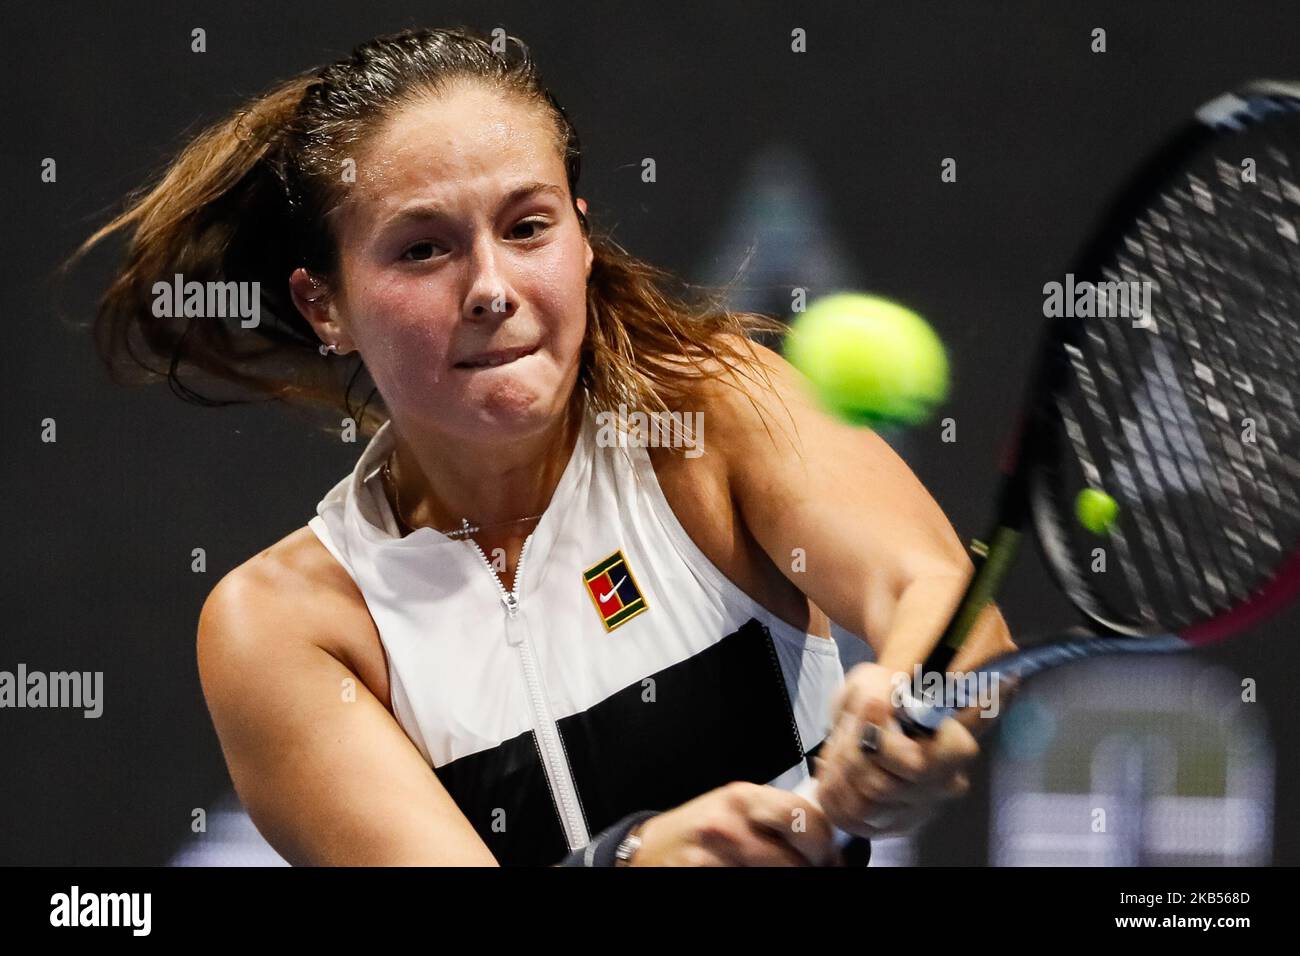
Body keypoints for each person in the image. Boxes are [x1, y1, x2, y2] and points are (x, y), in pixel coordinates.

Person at [66, 26, 1015, 866]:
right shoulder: (285, 628)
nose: (491, 286)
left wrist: (907, 702)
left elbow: (933, 599)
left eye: (528, 228)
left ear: (583, 239)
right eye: (422, 249)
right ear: (327, 305)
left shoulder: (712, 415)